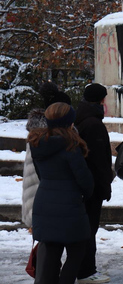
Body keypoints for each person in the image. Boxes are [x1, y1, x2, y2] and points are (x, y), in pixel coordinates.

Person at [28, 102, 94, 284]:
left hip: (44, 203)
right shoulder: (71, 146)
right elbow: (85, 181)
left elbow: (41, 175)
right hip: (70, 206)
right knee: (77, 250)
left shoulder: (37, 143)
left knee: (50, 252)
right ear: (69, 122)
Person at [75, 83, 113, 284]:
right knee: (89, 229)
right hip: (92, 186)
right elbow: (99, 160)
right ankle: (86, 271)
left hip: (86, 184)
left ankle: (83, 268)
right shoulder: (94, 124)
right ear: (101, 100)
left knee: (86, 229)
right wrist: (105, 185)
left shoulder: (82, 118)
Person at [22, 82, 71, 229]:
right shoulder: (65, 137)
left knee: (45, 238)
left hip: (36, 192)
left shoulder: (35, 134)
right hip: (52, 194)